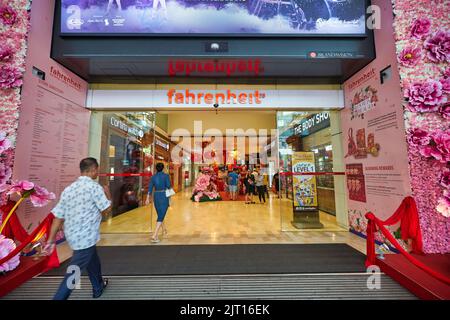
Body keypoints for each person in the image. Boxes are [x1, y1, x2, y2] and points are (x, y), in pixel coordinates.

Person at [44, 157, 112, 300]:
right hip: (85, 238)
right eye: (97, 171)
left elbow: (58, 217)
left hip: (74, 237)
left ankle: (98, 287)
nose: (97, 173)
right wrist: (108, 193)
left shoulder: (69, 189)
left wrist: (50, 240)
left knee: (93, 260)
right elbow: (106, 209)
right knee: (73, 274)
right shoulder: (95, 187)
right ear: (93, 170)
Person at [146, 162, 172, 243]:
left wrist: (147, 198)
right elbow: (168, 186)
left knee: (160, 213)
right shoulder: (166, 176)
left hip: (156, 196)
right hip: (164, 196)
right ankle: (155, 235)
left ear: (156, 168)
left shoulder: (153, 177)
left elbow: (150, 188)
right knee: (161, 215)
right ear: (163, 168)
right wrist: (170, 198)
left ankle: (164, 229)